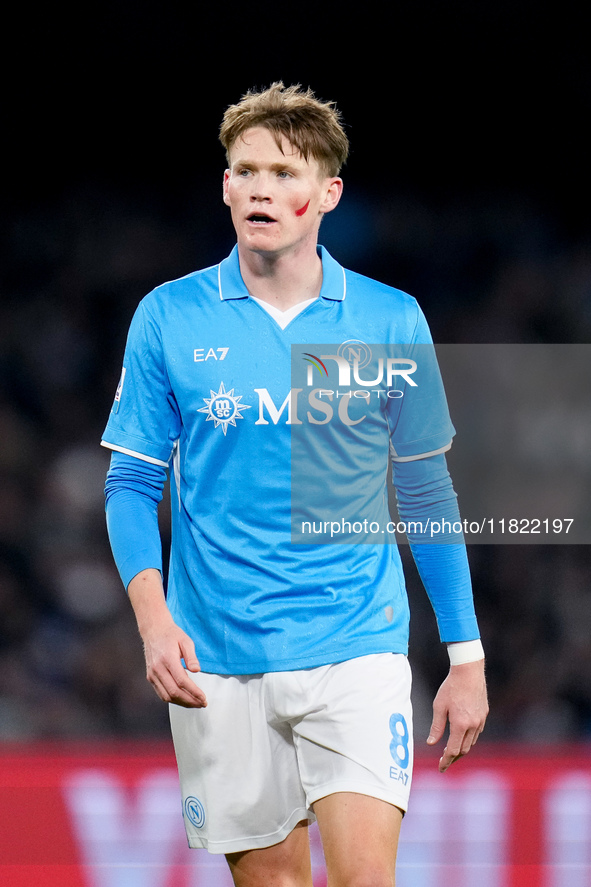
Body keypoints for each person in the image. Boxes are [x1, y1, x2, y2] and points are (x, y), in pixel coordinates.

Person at [102, 82, 488, 887]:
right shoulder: (170, 317)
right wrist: (152, 619)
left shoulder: (387, 319)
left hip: (354, 640)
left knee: (360, 879)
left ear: (326, 194)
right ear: (224, 186)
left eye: (282, 172)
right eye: (244, 171)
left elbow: (424, 491)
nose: (260, 189)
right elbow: (131, 484)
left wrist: (465, 654)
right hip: (219, 652)